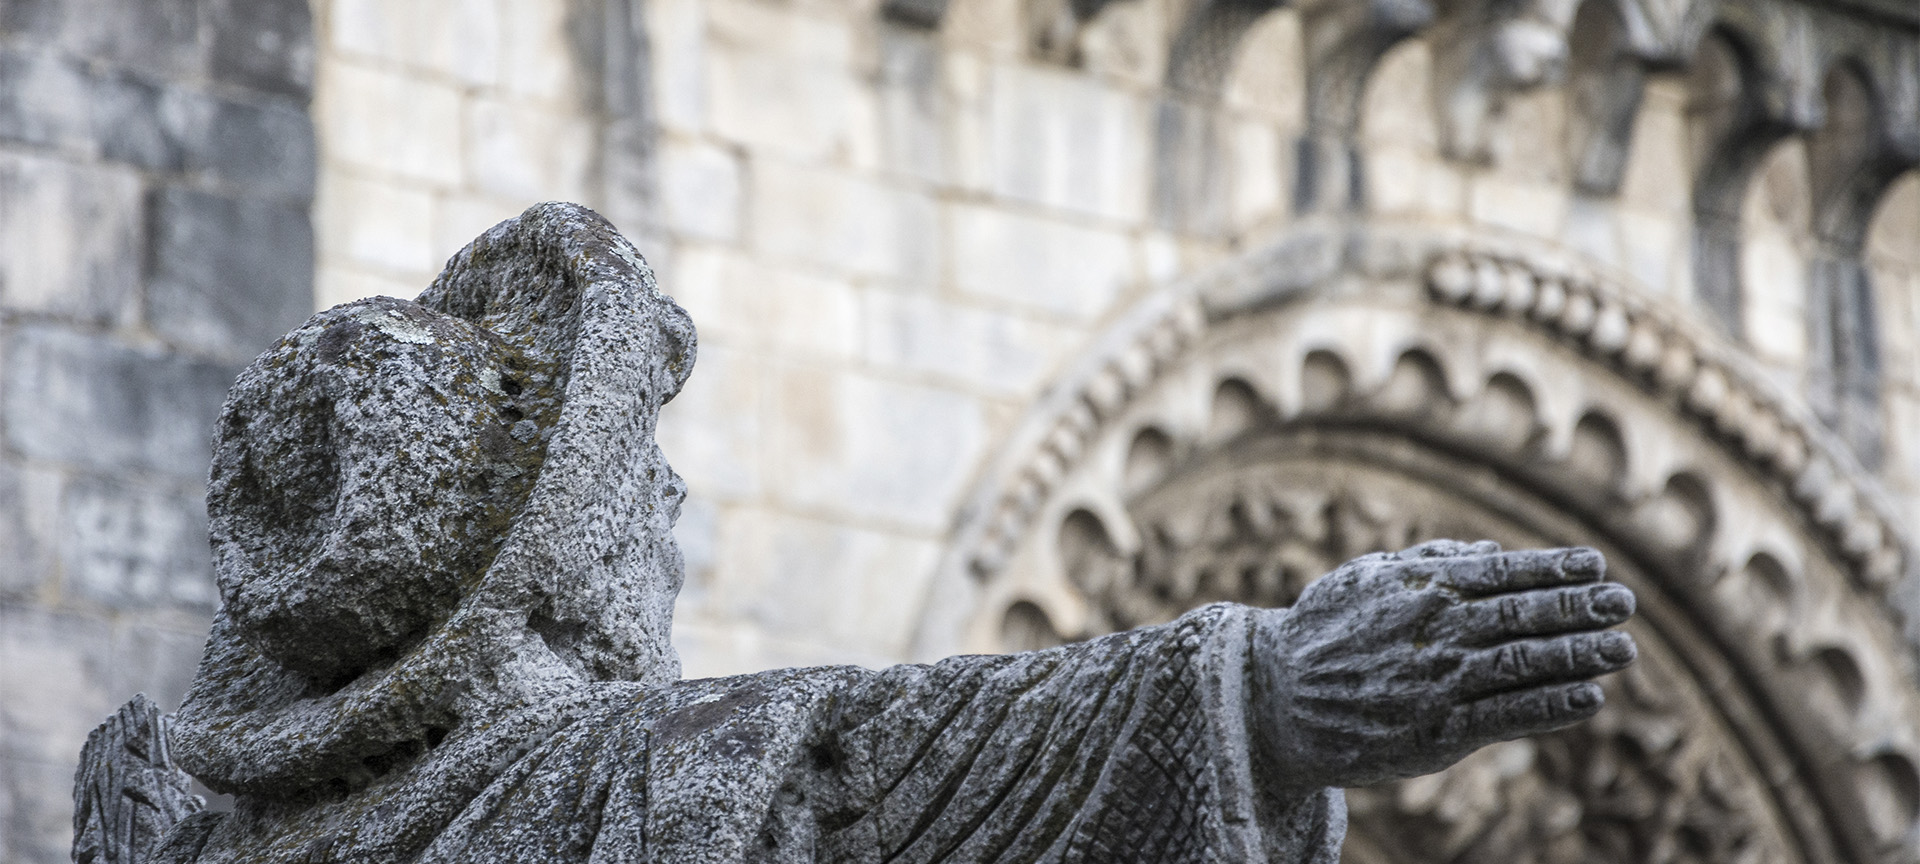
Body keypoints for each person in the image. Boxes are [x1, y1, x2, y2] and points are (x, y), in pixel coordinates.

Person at [110, 204, 1633, 864]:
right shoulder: (603, 791)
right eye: (632, 477)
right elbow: (865, 764)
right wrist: (1274, 693)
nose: (671, 503)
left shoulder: (208, 833)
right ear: (546, 563)